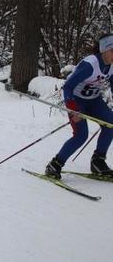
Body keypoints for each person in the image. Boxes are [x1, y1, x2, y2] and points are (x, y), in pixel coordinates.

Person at [45, 34, 113, 179]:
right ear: (103, 50)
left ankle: (98, 162)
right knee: (81, 136)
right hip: (76, 101)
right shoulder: (90, 65)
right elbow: (68, 87)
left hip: (94, 101)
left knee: (111, 124)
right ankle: (55, 164)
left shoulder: (111, 66)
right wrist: (73, 109)